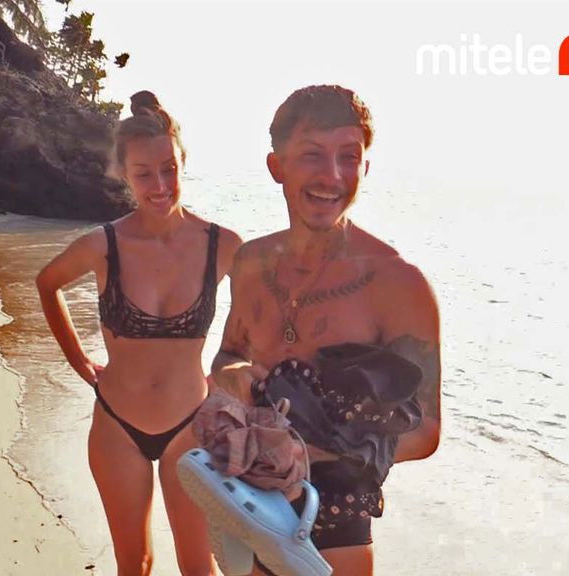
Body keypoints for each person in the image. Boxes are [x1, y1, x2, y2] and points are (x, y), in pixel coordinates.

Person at [210, 85, 442, 576]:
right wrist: (233, 376)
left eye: (348, 157)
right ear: (277, 166)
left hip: (335, 519)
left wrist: (311, 453)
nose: (332, 175)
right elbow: (227, 355)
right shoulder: (250, 263)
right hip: (245, 499)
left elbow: (425, 431)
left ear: (365, 167)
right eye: (312, 154)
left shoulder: (398, 283)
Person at [37, 91, 243, 576]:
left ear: (183, 162)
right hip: (117, 427)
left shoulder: (224, 245)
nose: (160, 185)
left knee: (199, 568)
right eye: (144, 174)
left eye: (169, 169)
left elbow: (265, 310)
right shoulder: (103, 244)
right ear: (124, 174)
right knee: (136, 564)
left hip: (190, 427)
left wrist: (228, 372)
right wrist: (79, 361)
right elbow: (47, 284)